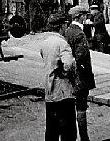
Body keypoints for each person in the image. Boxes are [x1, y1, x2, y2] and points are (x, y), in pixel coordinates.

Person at [40, 13, 76, 141]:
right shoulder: (62, 43)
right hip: (63, 91)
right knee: (68, 130)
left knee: (51, 129)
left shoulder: (45, 43)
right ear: (62, 26)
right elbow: (68, 64)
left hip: (49, 91)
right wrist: (66, 72)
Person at [65, 6, 96, 141]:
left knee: (71, 106)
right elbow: (82, 57)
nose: (86, 18)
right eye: (84, 16)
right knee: (81, 106)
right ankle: (84, 137)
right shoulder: (79, 33)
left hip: (69, 75)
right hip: (80, 76)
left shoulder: (67, 31)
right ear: (80, 17)